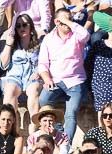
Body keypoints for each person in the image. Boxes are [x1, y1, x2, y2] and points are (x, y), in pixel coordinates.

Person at [37, 8, 87, 144]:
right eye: (63, 20)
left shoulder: (77, 35)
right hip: (56, 81)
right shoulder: (48, 39)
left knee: (71, 113)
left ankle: (66, 145)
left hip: (75, 81)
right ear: (56, 22)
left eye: (69, 19)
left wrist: (67, 21)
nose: (67, 23)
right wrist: (47, 79)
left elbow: (85, 35)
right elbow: (42, 63)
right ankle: (58, 131)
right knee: (43, 100)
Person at [0, 13, 41, 124]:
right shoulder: (12, 44)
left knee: (34, 90)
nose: (21, 28)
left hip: (33, 76)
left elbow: (46, 61)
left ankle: (34, 128)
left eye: (24, 25)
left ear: (31, 27)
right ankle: (8, 128)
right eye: (18, 26)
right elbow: (3, 65)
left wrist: (39, 71)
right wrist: (8, 45)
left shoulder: (39, 44)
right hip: (15, 76)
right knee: (10, 90)